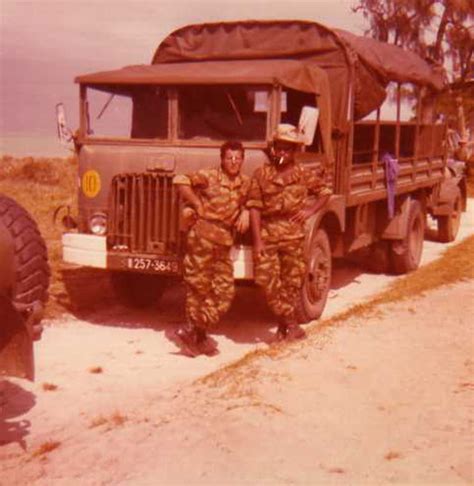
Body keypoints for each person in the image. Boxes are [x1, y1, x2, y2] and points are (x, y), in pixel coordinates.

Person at [248, 123, 332, 341]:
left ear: (295, 151)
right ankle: (291, 323)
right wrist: (257, 241)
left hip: (294, 236)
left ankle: (283, 328)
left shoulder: (303, 175)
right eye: (279, 147)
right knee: (267, 281)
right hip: (268, 235)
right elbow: (255, 208)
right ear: (273, 148)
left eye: (288, 148)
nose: (282, 152)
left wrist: (310, 210)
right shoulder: (261, 174)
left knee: (292, 282)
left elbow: (325, 192)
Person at [173, 141, 250, 357]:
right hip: (202, 239)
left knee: (224, 292)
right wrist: (196, 204)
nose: (233, 162)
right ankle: (198, 339)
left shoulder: (245, 183)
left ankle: (192, 330)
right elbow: (180, 179)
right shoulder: (209, 176)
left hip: (224, 242)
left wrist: (245, 210)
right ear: (222, 159)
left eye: (237, 158)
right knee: (198, 289)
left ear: (242, 160)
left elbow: (255, 200)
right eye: (229, 158)